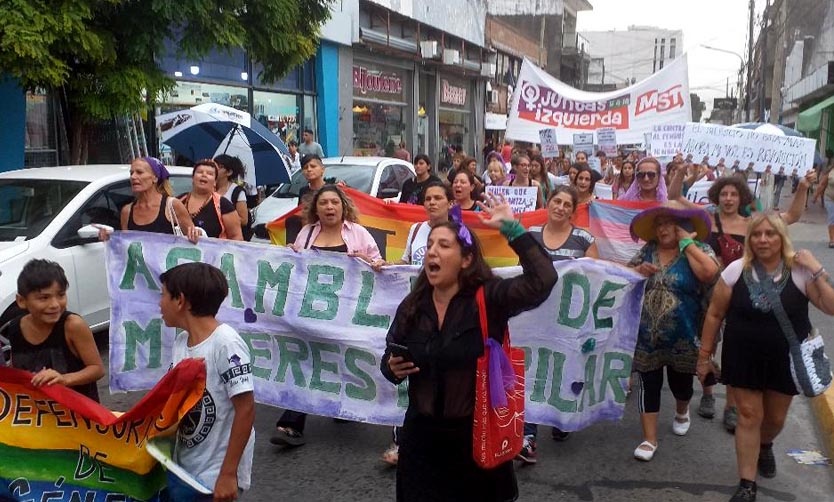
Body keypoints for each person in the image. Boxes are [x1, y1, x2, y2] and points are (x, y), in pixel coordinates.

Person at [380, 193, 558, 502]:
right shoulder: (413, 306)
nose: (432, 251)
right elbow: (391, 355)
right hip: (421, 442)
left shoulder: (488, 299)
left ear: (466, 259)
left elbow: (543, 278)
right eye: (431, 244)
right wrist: (391, 367)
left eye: (444, 245)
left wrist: (512, 229)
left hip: (475, 442)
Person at [697, 214, 834, 502]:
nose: (763, 240)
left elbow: (830, 307)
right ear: (749, 240)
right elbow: (714, 314)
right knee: (748, 416)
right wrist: (704, 356)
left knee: (774, 418)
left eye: (770, 234)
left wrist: (817, 268)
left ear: (782, 237)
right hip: (742, 355)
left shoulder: (799, 272)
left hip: (785, 360)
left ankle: (766, 443)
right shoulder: (735, 271)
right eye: (757, 234)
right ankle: (747, 484)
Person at [668, 171, 816, 427]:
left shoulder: (752, 224)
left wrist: (802, 187)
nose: (728, 199)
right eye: (724, 194)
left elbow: (791, 217)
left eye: (733, 194)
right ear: (716, 196)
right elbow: (675, 196)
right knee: (708, 342)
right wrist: (681, 171)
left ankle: (732, 406)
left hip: (743, 291)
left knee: (736, 348)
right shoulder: (706, 218)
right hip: (709, 291)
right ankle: (708, 393)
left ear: (741, 197)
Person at [271, 185, 382, 447]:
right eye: (324, 203)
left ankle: (343, 404)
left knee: (343, 359)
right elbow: (297, 271)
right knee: (308, 360)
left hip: (347, 314)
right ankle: (292, 422)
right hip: (313, 313)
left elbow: (380, 266)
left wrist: (367, 260)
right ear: (315, 208)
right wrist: (291, 255)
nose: (329, 207)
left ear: (343, 206)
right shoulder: (307, 233)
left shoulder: (358, 233)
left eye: (334, 202)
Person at [628, 202, 719, 462]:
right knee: (649, 382)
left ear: (681, 226)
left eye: (668, 223)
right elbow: (624, 272)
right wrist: (637, 270)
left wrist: (686, 243)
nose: (663, 228)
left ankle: (682, 410)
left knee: (681, 384)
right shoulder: (648, 250)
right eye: (658, 224)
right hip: (647, 336)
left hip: (685, 333)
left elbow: (710, 273)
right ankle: (649, 438)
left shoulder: (699, 249)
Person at [516, 186, 599, 464]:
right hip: (535, 318)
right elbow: (521, 274)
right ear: (548, 203)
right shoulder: (531, 237)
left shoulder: (584, 239)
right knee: (533, 372)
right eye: (557, 201)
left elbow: (594, 277)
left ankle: (561, 417)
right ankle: (528, 437)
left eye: (567, 204)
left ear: (573, 210)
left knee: (563, 369)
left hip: (568, 321)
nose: (561, 207)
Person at [159, 262, 255, 501]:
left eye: (162, 296)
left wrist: (228, 474)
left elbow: (246, 409)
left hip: (215, 475)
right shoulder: (182, 342)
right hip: (186, 467)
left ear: (180, 301)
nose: (159, 304)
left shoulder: (225, 343)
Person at [375, 182, 453, 466]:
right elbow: (406, 263)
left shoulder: (462, 233)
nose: (432, 203)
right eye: (427, 199)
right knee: (409, 370)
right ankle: (403, 439)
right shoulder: (417, 230)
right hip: (418, 311)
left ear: (449, 203)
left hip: (446, 313)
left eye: (438, 198)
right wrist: (385, 265)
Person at [3, 259, 104, 402]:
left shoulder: (73, 325)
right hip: (40, 414)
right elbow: (17, 367)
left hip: (79, 413)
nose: (55, 304)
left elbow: (97, 369)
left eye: (61, 295)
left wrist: (64, 379)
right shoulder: (15, 327)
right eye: (44, 298)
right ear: (21, 301)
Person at [119, 157, 198, 241]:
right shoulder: (127, 211)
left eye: (139, 172)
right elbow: (124, 246)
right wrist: (108, 238)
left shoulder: (172, 206)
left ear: (155, 178)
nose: (133, 177)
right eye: (131, 173)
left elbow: (195, 242)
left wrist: (195, 235)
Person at [178, 159, 243, 240]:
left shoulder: (223, 205)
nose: (204, 175)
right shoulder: (179, 201)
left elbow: (236, 237)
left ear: (215, 182)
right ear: (193, 178)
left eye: (210, 174)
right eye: (200, 172)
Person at [214, 154, 251, 239]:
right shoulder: (209, 189)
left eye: (220, 167)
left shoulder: (237, 192)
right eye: (214, 165)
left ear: (229, 172)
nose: (215, 169)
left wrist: (221, 218)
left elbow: (244, 220)